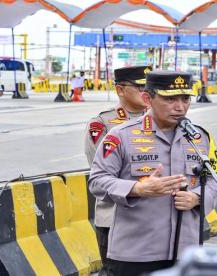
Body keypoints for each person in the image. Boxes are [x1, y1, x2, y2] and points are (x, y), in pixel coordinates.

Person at [88, 70, 217, 276]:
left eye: (185, 98)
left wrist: (197, 197)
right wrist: (137, 188)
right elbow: (97, 181)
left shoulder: (199, 138)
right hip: (136, 252)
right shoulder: (121, 136)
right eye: (170, 99)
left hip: (186, 250)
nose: (180, 107)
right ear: (147, 98)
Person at [84, 65, 151, 275]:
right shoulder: (102, 123)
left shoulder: (162, 120)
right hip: (114, 215)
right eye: (140, 86)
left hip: (154, 216)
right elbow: (102, 172)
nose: (146, 91)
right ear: (120, 90)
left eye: (149, 86)